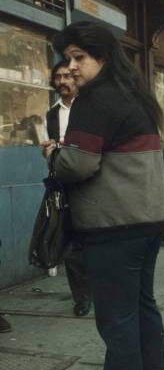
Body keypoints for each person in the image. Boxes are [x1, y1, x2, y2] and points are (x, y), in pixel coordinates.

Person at [42, 21, 164, 370]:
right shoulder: (134, 95)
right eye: (68, 60)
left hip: (113, 227)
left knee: (118, 325)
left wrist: (54, 154)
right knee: (143, 312)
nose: (72, 68)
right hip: (147, 223)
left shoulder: (94, 100)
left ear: (104, 57)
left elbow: (77, 166)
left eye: (79, 58)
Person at [45, 60, 92, 317]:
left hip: (93, 180)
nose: (63, 81)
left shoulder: (89, 107)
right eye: (58, 77)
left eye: (67, 76)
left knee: (95, 237)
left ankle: (102, 288)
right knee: (72, 241)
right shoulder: (51, 114)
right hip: (65, 183)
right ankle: (82, 297)